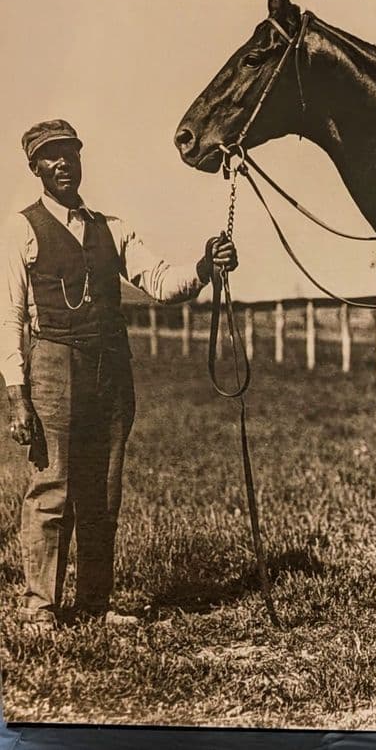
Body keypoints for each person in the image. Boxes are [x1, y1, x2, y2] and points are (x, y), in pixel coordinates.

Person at [2, 118, 238, 631]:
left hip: (111, 370)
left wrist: (205, 266)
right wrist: (16, 395)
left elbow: (161, 282)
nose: (63, 163)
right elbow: (9, 317)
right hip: (53, 366)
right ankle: (40, 608)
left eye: (70, 153)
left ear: (80, 159)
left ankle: (94, 603)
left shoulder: (113, 228)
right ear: (35, 168)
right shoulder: (22, 229)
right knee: (52, 488)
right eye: (51, 156)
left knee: (103, 492)